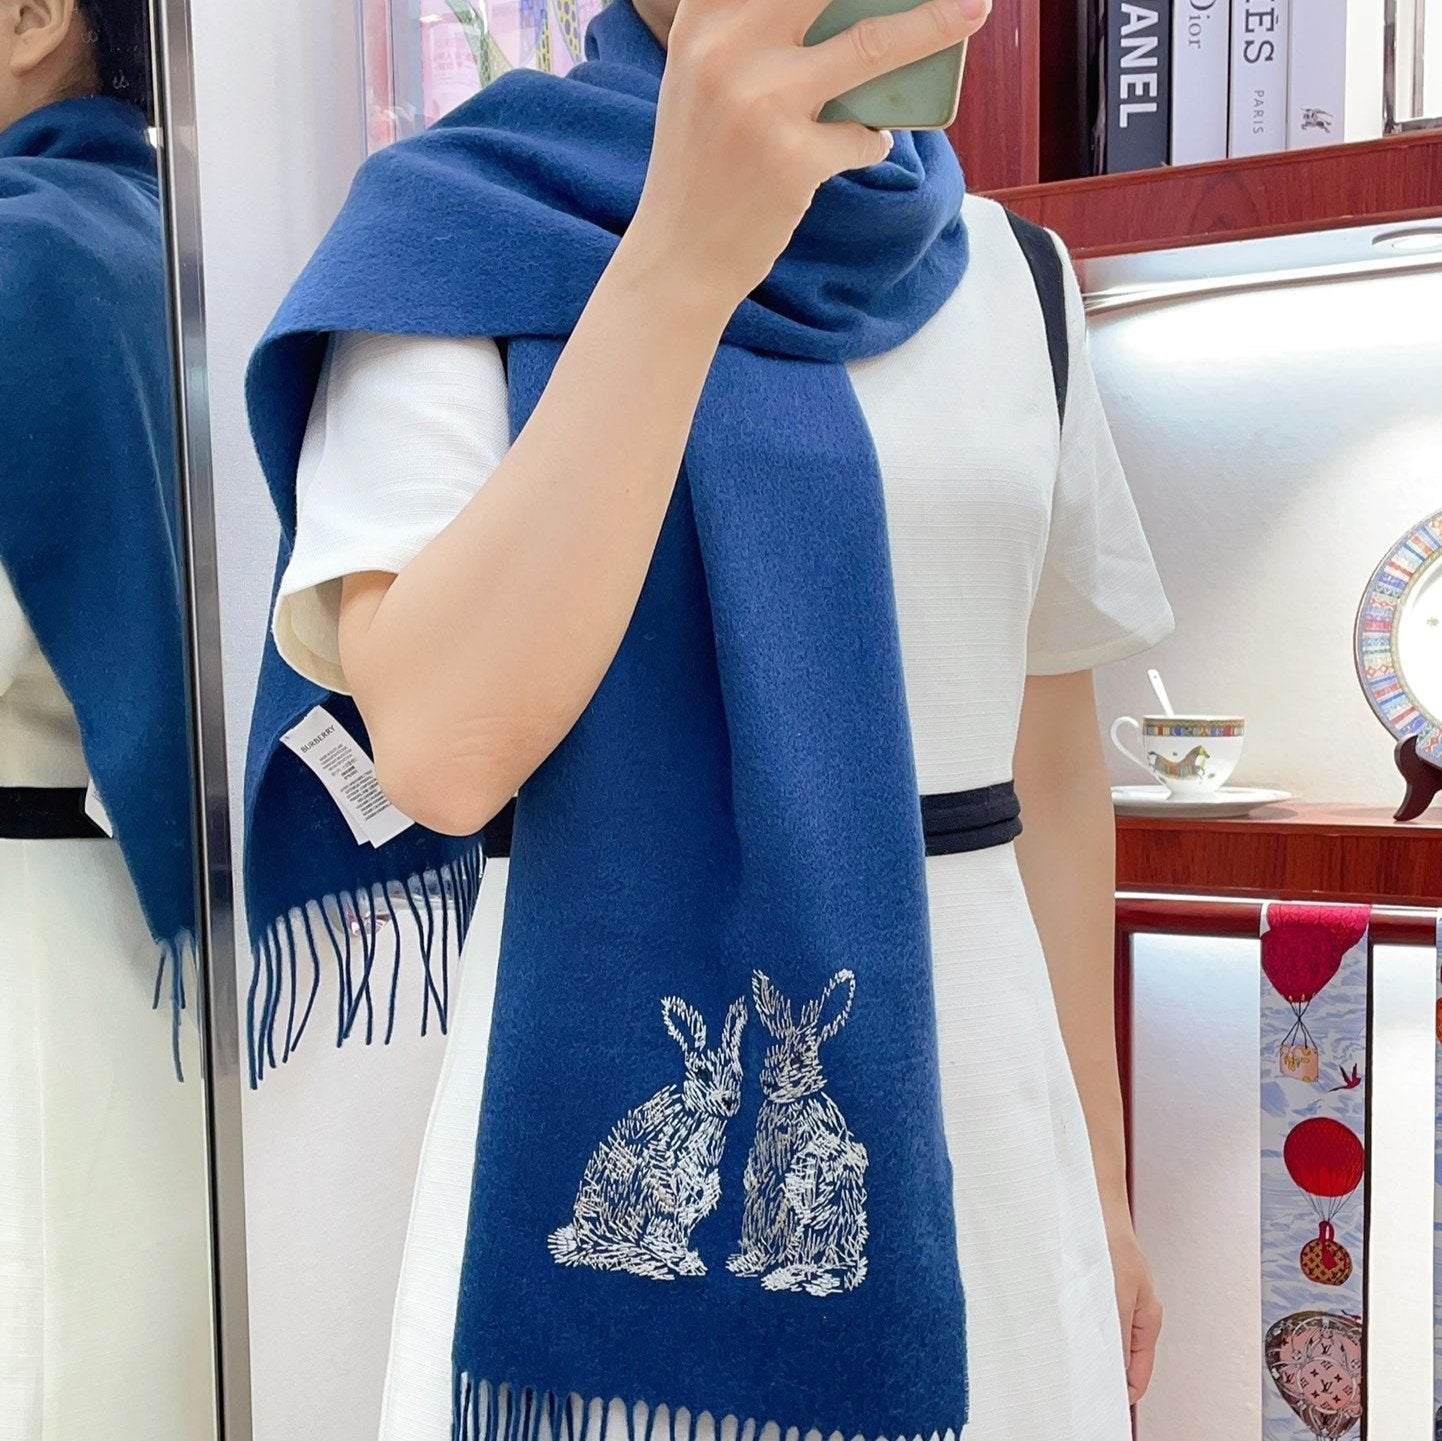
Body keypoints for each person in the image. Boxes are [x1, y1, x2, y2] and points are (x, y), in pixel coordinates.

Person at [244, 0, 1173, 1435]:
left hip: (987, 1124)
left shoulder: (1015, 275)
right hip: (595, 1090)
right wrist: (682, 253)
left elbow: (1047, 765)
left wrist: (1101, 1179)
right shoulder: (459, 231)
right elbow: (438, 749)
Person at [0, 3, 214, 1436]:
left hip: (40, 958)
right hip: (144, 949)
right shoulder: (159, 238)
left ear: (35, 18)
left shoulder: (24, 255)